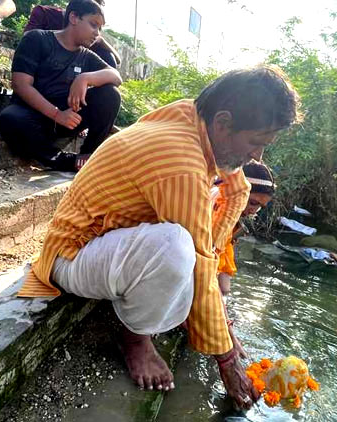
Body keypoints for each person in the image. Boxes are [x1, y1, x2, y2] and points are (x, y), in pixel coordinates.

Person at [16, 66, 300, 409]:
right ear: (223, 123)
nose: (258, 156)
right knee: (175, 248)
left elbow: (236, 189)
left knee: (192, 251)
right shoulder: (180, 160)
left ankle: (168, 317)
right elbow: (199, 258)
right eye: (256, 143)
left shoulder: (194, 117)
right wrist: (227, 361)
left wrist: (219, 326)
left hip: (107, 241)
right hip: (72, 254)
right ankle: (135, 338)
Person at [0, 0, 122, 172]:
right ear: (73, 17)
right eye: (93, 25)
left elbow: (116, 76)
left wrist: (85, 78)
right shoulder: (38, 39)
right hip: (33, 115)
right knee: (9, 119)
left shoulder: (87, 56)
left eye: (100, 29)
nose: (97, 34)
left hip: (68, 119)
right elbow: (21, 85)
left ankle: (88, 154)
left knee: (110, 94)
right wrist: (56, 114)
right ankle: (64, 161)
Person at [215, 162, 275, 295]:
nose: (254, 211)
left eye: (260, 207)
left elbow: (224, 286)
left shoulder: (230, 227)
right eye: (253, 203)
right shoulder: (213, 210)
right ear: (240, 191)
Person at [23, 3, 121, 69]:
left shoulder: (91, 35)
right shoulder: (44, 13)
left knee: (107, 57)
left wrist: (101, 41)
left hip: (74, 76)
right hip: (41, 70)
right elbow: (27, 40)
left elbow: (116, 62)